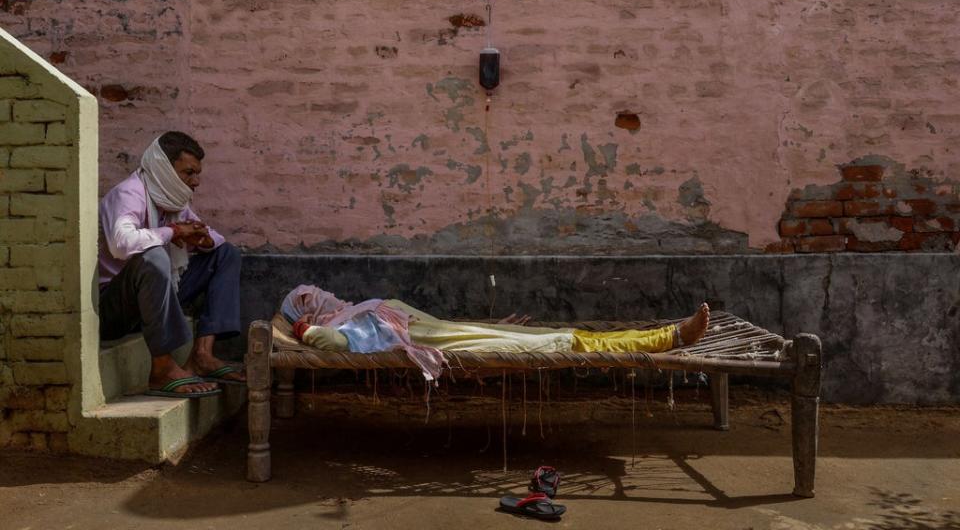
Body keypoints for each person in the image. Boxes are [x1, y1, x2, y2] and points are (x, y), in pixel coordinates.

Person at [280, 285, 711, 380]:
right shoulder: (344, 325)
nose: (320, 291)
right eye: (308, 296)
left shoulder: (356, 309)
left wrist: (488, 326)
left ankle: (670, 334)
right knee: (569, 342)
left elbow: (431, 322)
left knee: (565, 332)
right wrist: (303, 330)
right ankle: (670, 338)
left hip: (460, 333)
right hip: (455, 344)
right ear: (308, 312)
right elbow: (334, 343)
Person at [98, 131, 244, 397]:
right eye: (188, 173)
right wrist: (173, 233)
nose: (195, 182)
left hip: (155, 298)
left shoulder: (172, 199)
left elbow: (209, 235)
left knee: (226, 254)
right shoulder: (129, 194)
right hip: (115, 307)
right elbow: (121, 243)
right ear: (164, 169)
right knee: (154, 256)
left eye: (197, 174)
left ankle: (202, 355)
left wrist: (202, 239)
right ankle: (162, 369)